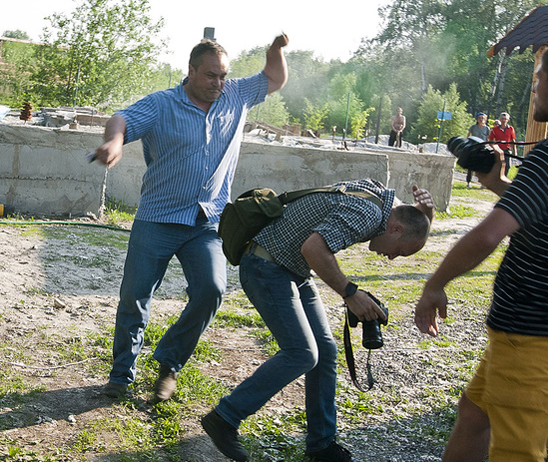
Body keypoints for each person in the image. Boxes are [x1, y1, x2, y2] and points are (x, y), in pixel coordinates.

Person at [414, 36, 548, 462]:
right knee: (474, 415)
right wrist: (499, 186)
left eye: (537, 80)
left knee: (518, 452)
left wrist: (435, 283)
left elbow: (486, 235)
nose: (533, 89)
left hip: (532, 331)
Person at [94, 34, 289, 401]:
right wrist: (115, 142)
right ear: (191, 71)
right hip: (158, 217)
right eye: (211, 75)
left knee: (211, 290)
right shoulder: (162, 104)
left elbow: (274, 79)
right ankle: (121, 375)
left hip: (207, 221)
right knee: (135, 296)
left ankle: (169, 363)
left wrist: (274, 51)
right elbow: (121, 119)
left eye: (223, 76)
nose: (219, 83)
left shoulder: (235, 95)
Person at [202, 178, 434, 462]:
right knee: (301, 353)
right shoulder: (370, 213)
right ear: (395, 229)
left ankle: (321, 446)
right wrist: (350, 293)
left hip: (291, 270)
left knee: (324, 352)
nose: (391, 257)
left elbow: (408, 216)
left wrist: (425, 216)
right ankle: (224, 418)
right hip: (265, 265)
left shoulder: (382, 201)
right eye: (399, 251)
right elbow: (313, 249)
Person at [466, 112, 491, 187]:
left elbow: (488, 139)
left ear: (485, 119)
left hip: (482, 148)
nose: (481, 120)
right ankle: (468, 182)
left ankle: (482, 183)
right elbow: (468, 136)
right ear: (477, 119)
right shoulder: (473, 127)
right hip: (473, 147)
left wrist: (488, 147)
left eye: (482, 118)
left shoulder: (487, 128)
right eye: (479, 118)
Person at [488, 112, 517, 176]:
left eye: (505, 119)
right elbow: (491, 141)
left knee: (507, 166)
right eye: (502, 119)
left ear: (508, 120)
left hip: (507, 149)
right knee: (498, 166)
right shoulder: (495, 129)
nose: (504, 120)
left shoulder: (511, 129)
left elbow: (512, 140)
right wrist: (493, 149)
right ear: (500, 119)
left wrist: (515, 150)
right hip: (498, 150)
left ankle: (503, 178)